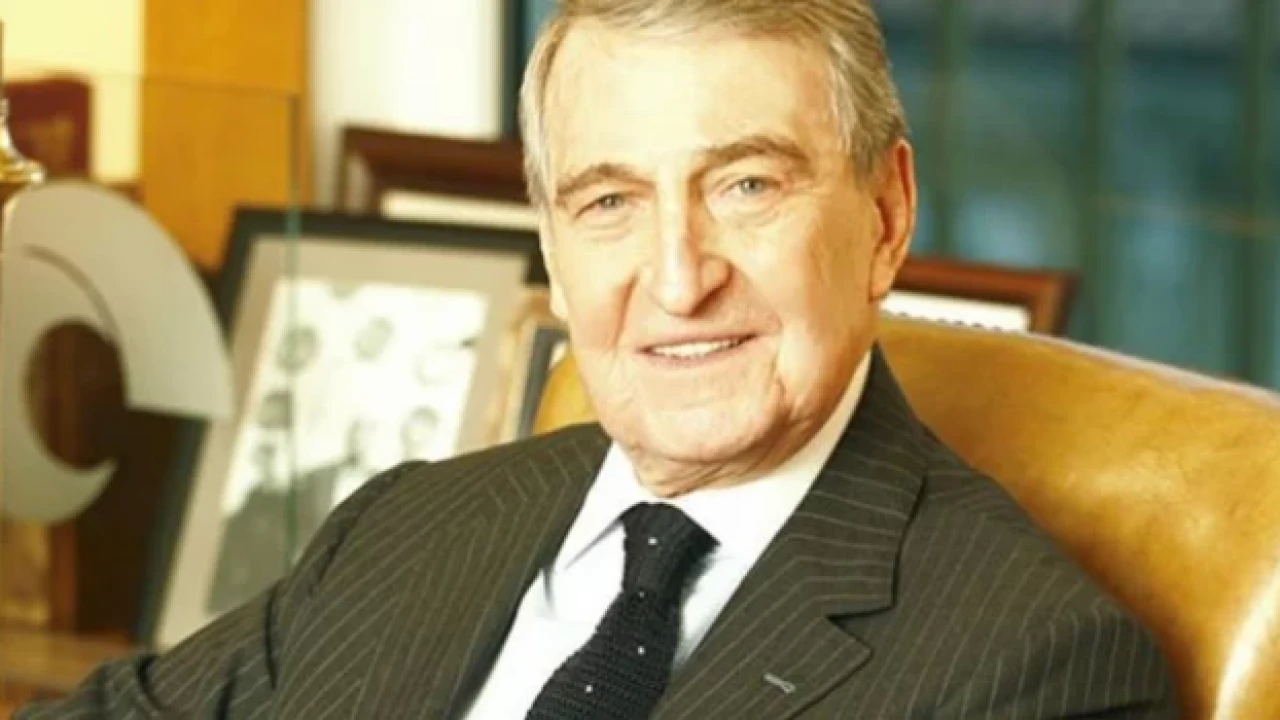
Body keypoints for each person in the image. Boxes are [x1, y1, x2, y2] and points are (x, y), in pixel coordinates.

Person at [19, 1, 1176, 717]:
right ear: (552, 251)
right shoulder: (410, 523)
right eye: (609, 201)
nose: (675, 278)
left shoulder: (1033, 667)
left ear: (884, 217)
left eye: (745, 185)